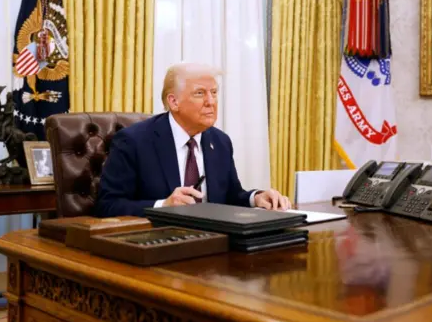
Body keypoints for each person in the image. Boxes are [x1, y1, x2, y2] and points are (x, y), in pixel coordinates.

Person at [95, 62, 291, 218]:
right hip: (160, 245)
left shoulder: (220, 141)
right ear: (174, 102)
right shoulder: (134, 141)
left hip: (214, 244)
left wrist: (255, 198)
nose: (211, 101)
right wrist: (164, 205)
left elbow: (229, 197)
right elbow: (107, 205)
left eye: (214, 92)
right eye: (200, 93)